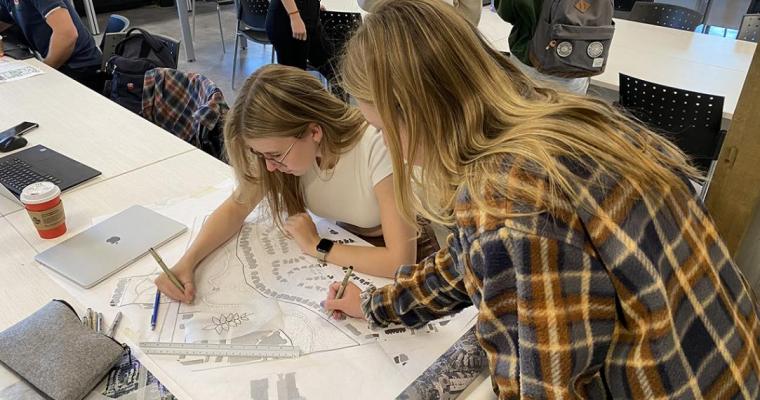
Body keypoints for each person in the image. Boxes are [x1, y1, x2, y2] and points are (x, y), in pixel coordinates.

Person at [323, 0, 760, 397]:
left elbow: (544, 386)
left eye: (381, 129)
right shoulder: (554, 115)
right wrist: (378, 306)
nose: (388, 146)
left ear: (415, 113)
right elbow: (467, 259)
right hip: (727, 360)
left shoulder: (505, 198)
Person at [155, 64, 427, 304]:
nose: (270, 167)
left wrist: (316, 246)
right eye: (261, 156)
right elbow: (236, 208)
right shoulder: (282, 151)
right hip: (347, 240)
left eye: (275, 155)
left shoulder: (377, 146)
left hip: (405, 249)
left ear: (314, 131)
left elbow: (399, 261)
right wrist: (186, 263)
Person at [492, 0, 591, 94]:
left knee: (527, 105)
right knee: (572, 107)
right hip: (580, 61)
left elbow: (507, 11)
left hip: (530, 60)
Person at [0, 0, 102, 91]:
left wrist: (45, 69)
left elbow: (67, 35)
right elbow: (4, 22)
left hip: (81, 68)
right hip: (61, 65)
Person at [265, 0, 334, 80]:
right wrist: (294, 16)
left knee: (333, 65)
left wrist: (312, 4)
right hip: (288, 22)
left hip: (308, 18)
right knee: (295, 79)